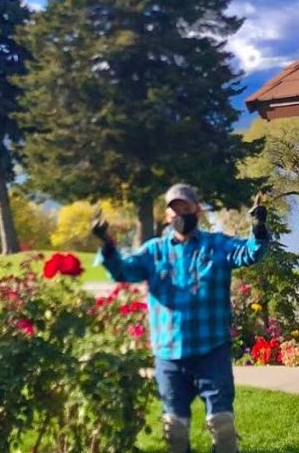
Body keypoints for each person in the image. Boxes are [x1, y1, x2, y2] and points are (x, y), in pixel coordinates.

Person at [93, 183, 268, 453]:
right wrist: (107, 245)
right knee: (174, 429)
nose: (180, 214)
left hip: (212, 350)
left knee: (222, 427)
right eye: (174, 209)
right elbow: (122, 271)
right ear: (166, 216)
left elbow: (250, 252)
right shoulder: (153, 251)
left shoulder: (217, 245)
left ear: (196, 209)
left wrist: (258, 229)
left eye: (185, 207)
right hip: (169, 355)